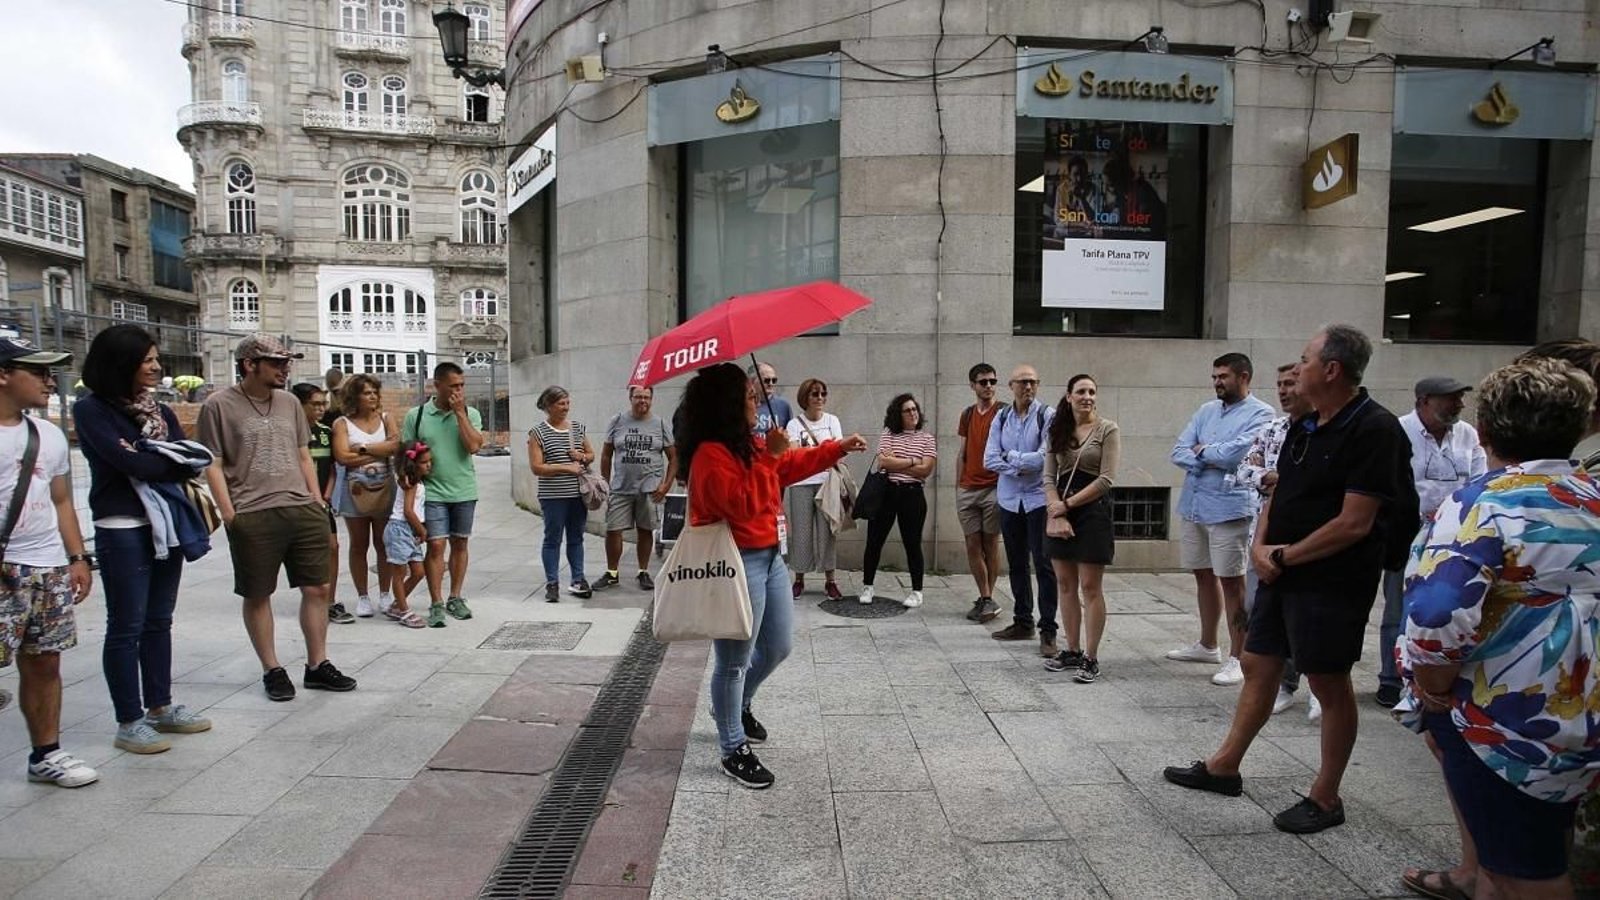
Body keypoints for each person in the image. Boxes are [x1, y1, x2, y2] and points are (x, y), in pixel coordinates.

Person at [1164, 324, 1413, 835]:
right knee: (1258, 661)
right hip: (1280, 567)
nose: (1295, 370)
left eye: (1304, 359)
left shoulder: (1375, 429)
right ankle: (1224, 765)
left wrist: (1285, 555)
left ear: (1332, 369)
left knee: (1327, 679)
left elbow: (1356, 521)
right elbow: (1278, 493)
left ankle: (1326, 797)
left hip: (1332, 578)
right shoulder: (1306, 423)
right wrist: (1260, 547)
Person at [1394, 358, 1600, 900]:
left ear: (1483, 432)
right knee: (1527, 854)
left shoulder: (1482, 503)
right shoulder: (1591, 496)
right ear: (1581, 427)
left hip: (1510, 724)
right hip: (1585, 713)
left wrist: (1434, 689)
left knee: (1524, 875)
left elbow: (1436, 615)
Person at [677, 362, 867, 788]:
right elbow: (742, 504)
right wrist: (772, 457)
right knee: (733, 661)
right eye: (747, 396)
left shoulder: (748, 443)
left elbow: (788, 467)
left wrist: (835, 448)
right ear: (727, 404)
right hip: (736, 563)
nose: (755, 402)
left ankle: (733, 706)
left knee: (779, 646)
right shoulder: (710, 454)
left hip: (770, 558)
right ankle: (731, 747)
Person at [75, 325, 214, 754]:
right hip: (122, 527)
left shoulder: (159, 411)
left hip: (166, 523)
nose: (156, 366)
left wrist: (154, 458)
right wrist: (159, 459)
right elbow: (127, 463)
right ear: (122, 363)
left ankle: (160, 705)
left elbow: (187, 459)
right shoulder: (92, 410)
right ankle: (128, 719)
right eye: (147, 359)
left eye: (156, 359)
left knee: (159, 619)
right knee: (126, 625)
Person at [198, 334, 356, 701]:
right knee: (258, 593)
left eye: (287, 362)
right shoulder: (218, 406)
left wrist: (316, 502)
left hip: (302, 507)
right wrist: (229, 513)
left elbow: (303, 454)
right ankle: (272, 668)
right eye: (277, 362)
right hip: (251, 511)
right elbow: (213, 463)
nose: (286, 369)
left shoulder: (288, 403)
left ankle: (317, 665)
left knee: (318, 588)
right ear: (249, 365)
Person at [0, 338, 98, 786]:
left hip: (47, 567)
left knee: (44, 662)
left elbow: (60, 501)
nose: (47, 380)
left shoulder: (48, 435)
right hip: (5, 567)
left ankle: (45, 753)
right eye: (36, 371)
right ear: (3, 374)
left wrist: (77, 558)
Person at [1375, 376, 1487, 709]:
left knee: (1446, 605)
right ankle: (1390, 679)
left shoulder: (1467, 434)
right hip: (1409, 532)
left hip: (1455, 534)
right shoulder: (1397, 430)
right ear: (1424, 400)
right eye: (1450, 399)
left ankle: (1437, 676)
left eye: (1460, 398)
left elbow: (1480, 479)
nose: (1459, 405)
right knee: (1398, 605)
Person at [1167, 352, 1275, 686]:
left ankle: (1237, 657)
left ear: (1244, 377)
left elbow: (1236, 456)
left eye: (1223, 376)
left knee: (1232, 581)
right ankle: (1207, 644)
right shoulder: (1206, 411)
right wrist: (1204, 456)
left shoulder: (1262, 413)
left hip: (1229, 509)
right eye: (1214, 376)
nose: (1217, 382)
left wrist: (1205, 451)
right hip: (1195, 504)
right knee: (1203, 575)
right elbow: (1179, 450)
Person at [1235, 364, 1313, 720]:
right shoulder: (1272, 429)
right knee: (1256, 606)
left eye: (1291, 383)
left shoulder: (1324, 431)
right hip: (1262, 537)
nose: (1283, 390)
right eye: (1279, 384)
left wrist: (1288, 482)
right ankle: (1281, 682)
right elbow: (1244, 470)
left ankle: (1313, 684)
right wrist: (1269, 475)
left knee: (1306, 616)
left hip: (1308, 541)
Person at [1041, 375, 1119, 684]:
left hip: (1092, 510)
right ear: (1069, 396)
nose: (1087, 396)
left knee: (1090, 586)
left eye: (1091, 392)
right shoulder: (1057, 430)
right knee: (1064, 583)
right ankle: (1071, 650)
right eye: (1081, 391)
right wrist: (1054, 508)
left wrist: (1067, 505)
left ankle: (1091, 656)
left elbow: (1106, 479)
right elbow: (1048, 476)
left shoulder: (1107, 429)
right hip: (1060, 506)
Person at [984, 365, 1058, 657]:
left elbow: (1044, 459)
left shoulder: (1047, 416)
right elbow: (989, 458)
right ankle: (1023, 621)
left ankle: (1048, 630)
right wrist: (1019, 463)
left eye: (1033, 382)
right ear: (1011, 386)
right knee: (1016, 563)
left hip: (1039, 500)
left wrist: (1011, 458)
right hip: (1010, 499)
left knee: (1044, 565)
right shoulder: (1001, 417)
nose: (1028, 387)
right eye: (1023, 382)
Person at [401, 362, 483, 622]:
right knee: (435, 545)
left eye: (462, 386)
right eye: (453, 386)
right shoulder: (418, 415)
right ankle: (436, 602)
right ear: (437, 386)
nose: (459, 391)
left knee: (460, 542)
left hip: (464, 489)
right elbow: (406, 453)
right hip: (432, 491)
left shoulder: (470, 413)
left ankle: (455, 597)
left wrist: (460, 414)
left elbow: (473, 447)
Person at [859, 393, 938, 609]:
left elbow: (927, 469)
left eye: (915, 409)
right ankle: (868, 586)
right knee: (874, 541)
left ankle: (916, 591)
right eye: (907, 410)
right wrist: (914, 460)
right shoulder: (889, 433)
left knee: (912, 543)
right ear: (898, 414)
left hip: (913, 495)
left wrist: (899, 462)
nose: (913, 413)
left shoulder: (927, 438)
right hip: (887, 493)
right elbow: (884, 462)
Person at [597, 385, 676, 591]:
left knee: (645, 530)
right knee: (613, 529)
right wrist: (604, 482)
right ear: (630, 398)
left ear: (652, 399)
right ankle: (612, 573)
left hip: (650, 489)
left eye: (647, 397)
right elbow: (606, 454)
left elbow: (674, 457)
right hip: (621, 487)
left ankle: (643, 572)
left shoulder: (659, 424)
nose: (643, 401)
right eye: (638, 397)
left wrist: (666, 485)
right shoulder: (617, 421)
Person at [331, 374, 397, 620]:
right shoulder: (342, 424)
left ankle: (384, 593)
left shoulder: (386, 418)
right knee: (359, 545)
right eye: (366, 392)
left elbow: (394, 446)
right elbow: (342, 457)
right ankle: (362, 596)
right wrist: (377, 453)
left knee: (383, 543)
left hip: (384, 488)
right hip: (355, 490)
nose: (372, 397)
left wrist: (361, 448)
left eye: (374, 392)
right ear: (354, 396)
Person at [529, 385, 594, 601]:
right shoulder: (538, 432)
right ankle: (552, 583)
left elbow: (591, 454)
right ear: (548, 406)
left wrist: (582, 457)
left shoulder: (577, 428)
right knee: (552, 538)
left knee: (576, 537)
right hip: (552, 496)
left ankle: (578, 579)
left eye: (567, 403)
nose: (566, 407)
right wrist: (566, 467)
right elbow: (537, 467)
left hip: (578, 494)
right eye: (561, 403)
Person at [292, 383, 350, 624]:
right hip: (295, 501)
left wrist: (326, 494)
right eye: (314, 404)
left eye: (322, 404)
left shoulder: (326, 432)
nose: (320, 409)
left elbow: (334, 469)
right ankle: (312, 598)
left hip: (321, 502)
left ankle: (329, 600)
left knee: (332, 547)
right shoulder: (290, 433)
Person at [784, 378, 844, 600]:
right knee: (801, 532)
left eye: (823, 394)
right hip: (801, 483)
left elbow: (837, 451)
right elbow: (793, 456)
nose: (820, 398)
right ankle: (799, 579)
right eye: (815, 394)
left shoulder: (832, 421)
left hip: (827, 482)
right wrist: (821, 454)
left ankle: (830, 580)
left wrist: (814, 455)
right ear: (805, 398)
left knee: (828, 532)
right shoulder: (794, 424)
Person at [956, 363, 1003, 623]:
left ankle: (987, 597)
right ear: (972, 385)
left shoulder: (1004, 412)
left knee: (991, 544)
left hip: (994, 487)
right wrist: (957, 486)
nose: (988, 386)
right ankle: (986, 598)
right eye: (983, 382)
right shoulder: (967, 414)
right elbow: (961, 452)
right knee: (972, 544)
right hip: (967, 488)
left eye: (992, 381)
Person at [382, 441, 432, 629]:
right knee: (399, 572)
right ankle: (403, 609)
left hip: (410, 530)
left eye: (430, 461)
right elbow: (408, 511)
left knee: (419, 571)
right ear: (413, 464)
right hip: (400, 528)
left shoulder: (416, 482)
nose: (429, 465)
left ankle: (397, 604)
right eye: (424, 462)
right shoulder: (410, 484)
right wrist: (422, 530)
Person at [748, 362, 792, 436]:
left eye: (774, 380)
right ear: (752, 381)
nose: (771, 384)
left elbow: (789, 435)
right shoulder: (745, 405)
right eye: (766, 380)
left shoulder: (783, 406)